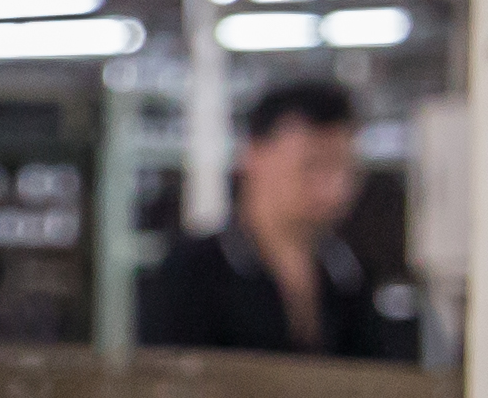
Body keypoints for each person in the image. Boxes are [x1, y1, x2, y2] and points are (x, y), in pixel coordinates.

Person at [138, 73, 412, 359]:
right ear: (254, 155)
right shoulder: (191, 274)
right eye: (312, 166)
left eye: (345, 168)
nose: (335, 188)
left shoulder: (351, 277)